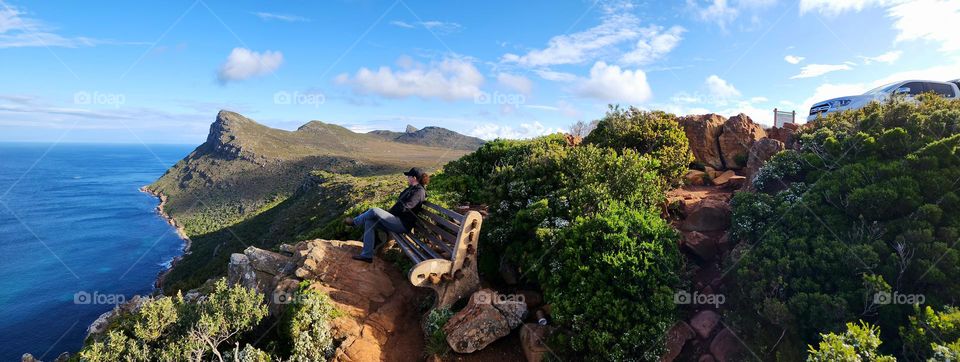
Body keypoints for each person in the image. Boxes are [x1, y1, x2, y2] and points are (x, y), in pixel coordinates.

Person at [344, 167, 429, 263]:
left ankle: (354, 222)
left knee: (374, 210)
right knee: (369, 221)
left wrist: (387, 214)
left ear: (414, 177)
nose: (407, 178)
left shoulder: (419, 192)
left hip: (402, 224)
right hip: (396, 219)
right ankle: (367, 255)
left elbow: (406, 208)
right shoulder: (412, 188)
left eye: (408, 176)